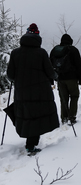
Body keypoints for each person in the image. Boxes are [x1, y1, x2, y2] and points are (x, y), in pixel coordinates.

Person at [7, 23, 59, 154]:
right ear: (38, 37)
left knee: (26, 115)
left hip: (22, 92)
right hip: (40, 92)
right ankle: (31, 145)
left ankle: (29, 142)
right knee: (37, 116)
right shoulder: (41, 53)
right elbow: (49, 72)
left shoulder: (15, 53)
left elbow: (10, 75)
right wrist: (56, 76)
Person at [50, 34, 81, 125]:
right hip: (72, 78)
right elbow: (79, 65)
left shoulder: (55, 50)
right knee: (74, 96)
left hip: (60, 78)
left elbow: (50, 64)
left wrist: (52, 79)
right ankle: (71, 117)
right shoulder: (73, 50)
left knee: (63, 98)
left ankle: (64, 117)